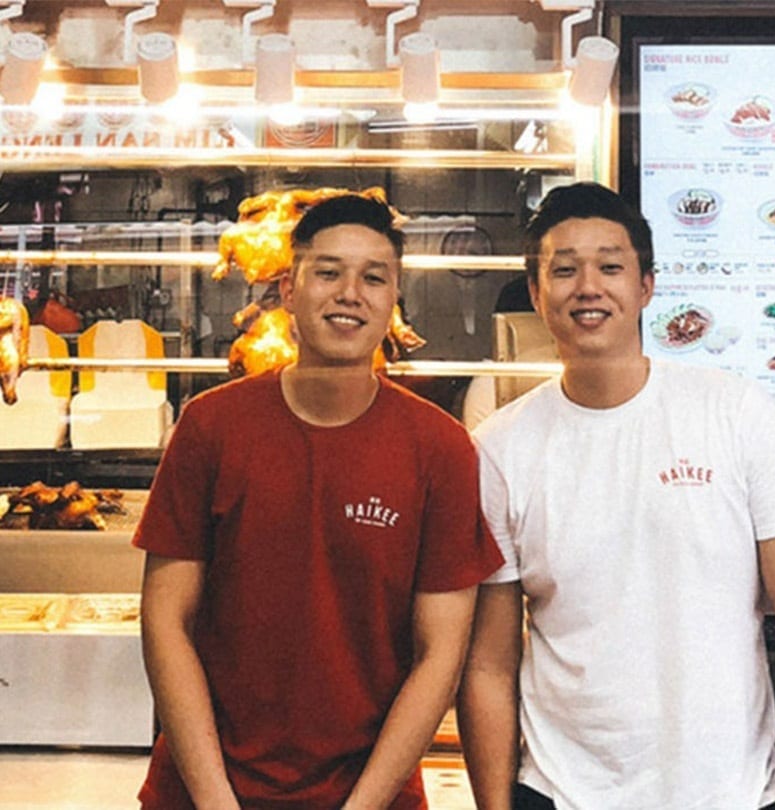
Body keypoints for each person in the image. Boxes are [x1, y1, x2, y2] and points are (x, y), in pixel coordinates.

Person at [458, 182, 775, 810]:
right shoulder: (499, 450)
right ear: (535, 293)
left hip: (737, 794)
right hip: (561, 793)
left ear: (646, 288)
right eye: (564, 270)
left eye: (610, 266)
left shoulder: (738, 412)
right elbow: (488, 664)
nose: (588, 286)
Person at [135, 193, 503, 809]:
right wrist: (216, 802)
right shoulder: (211, 427)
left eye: (374, 277)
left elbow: (441, 653)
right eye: (328, 272)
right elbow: (166, 620)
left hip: (372, 796)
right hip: (198, 794)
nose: (350, 292)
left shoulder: (440, 448)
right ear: (287, 292)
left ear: (393, 301)